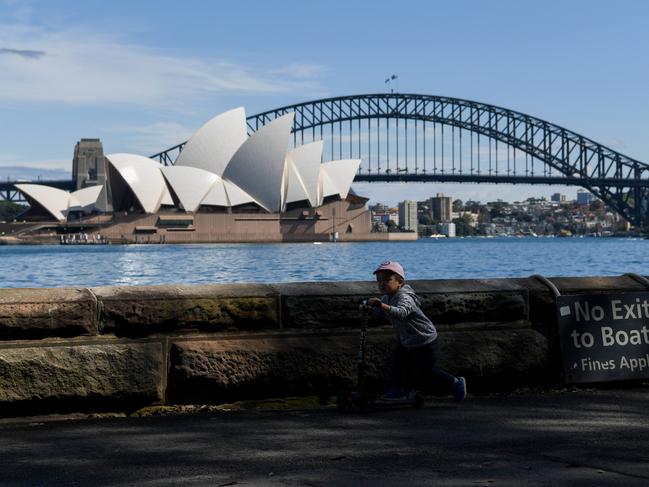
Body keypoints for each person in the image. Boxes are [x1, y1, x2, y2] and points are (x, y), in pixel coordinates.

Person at [367, 261, 467, 402]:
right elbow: (380, 313)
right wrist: (371, 309)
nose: (382, 283)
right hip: (406, 339)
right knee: (396, 363)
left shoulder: (405, 297)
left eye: (387, 280)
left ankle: (455, 382)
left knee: (427, 372)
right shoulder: (387, 298)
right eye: (379, 281)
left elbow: (401, 312)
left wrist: (381, 305)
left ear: (400, 282)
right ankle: (397, 390)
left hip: (423, 339)